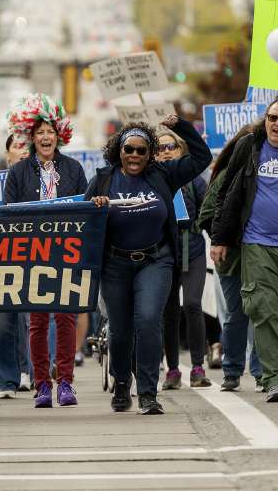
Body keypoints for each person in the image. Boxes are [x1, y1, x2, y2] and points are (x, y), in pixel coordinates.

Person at [88, 116, 212, 415]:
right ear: (119, 150)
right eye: (129, 149)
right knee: (120, 329)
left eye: (141, 151)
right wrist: (97, 207)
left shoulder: (163, 175)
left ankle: (147, 392)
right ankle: (121, 384)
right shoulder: (103, 180)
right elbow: (84, 220)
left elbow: (202, 157)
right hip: (114, 264)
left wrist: (180, 126)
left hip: (155, 261)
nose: (134, 156)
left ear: (150, 153)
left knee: (147, 321)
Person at [210, 85, 278, 403]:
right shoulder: (249, 146)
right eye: (272, 118)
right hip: (255, 244)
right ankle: (274, 378)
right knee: (264, 310)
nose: (277, 124)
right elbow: (227, 193)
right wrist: (220, 238)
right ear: (266, 120)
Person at [3, 94, 87, 408]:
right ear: (31, 137)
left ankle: (65, 382)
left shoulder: (74, 168)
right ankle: (42, 385)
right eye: (39, 133)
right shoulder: (18, 173)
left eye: (50, 132)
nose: (45, 137)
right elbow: (9, 213)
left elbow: (84, 208)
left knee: (65, 317)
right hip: (31, 255)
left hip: (66, 254)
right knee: (37, 322)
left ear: (58, 135)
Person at [196, 126, 263, 393]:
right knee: (237, 313)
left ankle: (261, 372)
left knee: (261, 311)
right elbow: (206, 215)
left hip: (261, 254)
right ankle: (233, 370)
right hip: (232, 257)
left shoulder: (270, 175)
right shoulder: (226, 175)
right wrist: (222, 238)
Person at [155, 128, 213, 390]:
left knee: (192, 304)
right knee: (169, 312)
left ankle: (198, 367)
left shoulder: (196, 181)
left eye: (172, 147)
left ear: (181, 151)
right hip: (165, 251)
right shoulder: (152, 181)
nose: (167, 152)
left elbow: (209, 213)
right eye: (161, 149)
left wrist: (219, 241)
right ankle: (173, 370)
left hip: (194, 249)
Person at [0, 134, 33, 397]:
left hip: (33, 257)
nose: (23, 151)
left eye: (27, 146)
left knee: (30, 321)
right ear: (7, 155)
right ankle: (5, 380)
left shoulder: (41, 181)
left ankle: (30, 372)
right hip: (1, 259)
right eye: (17, 146)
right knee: (1, 326)